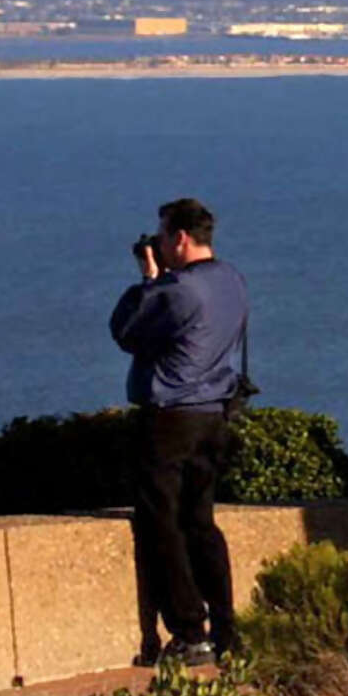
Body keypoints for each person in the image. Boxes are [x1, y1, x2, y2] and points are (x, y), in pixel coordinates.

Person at [108, 196, 249, 668]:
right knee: (201, 521)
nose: (161, 244)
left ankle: (190, 632)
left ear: (181, 238)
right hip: (214, 415)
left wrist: (149, 279)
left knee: (162, 523)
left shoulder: (178, 291)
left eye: (164, 236)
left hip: (170, 418)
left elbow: (126, 331)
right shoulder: (232, 280)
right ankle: (227, 628)